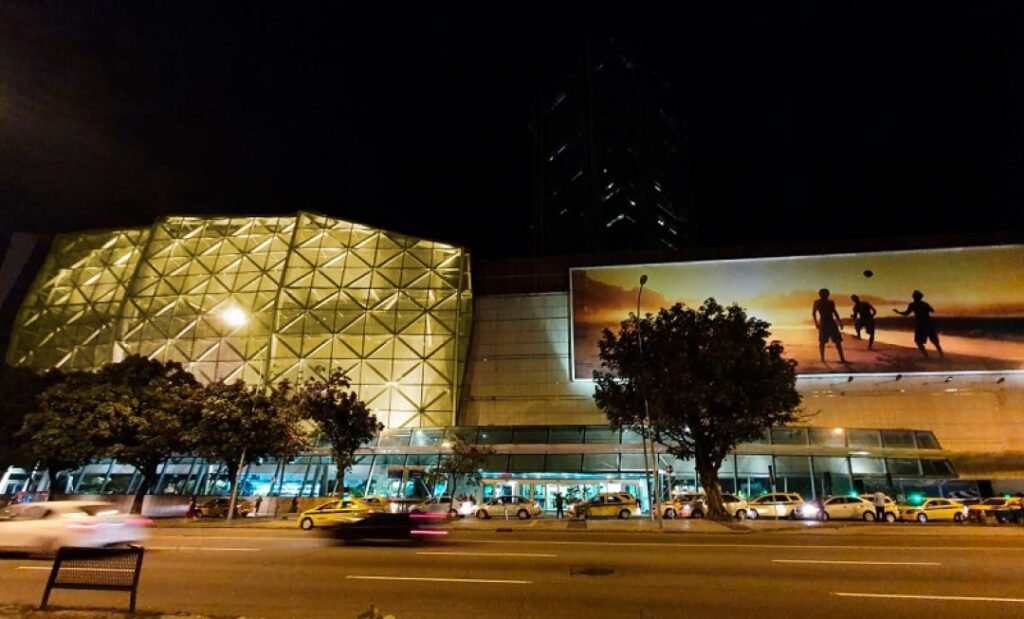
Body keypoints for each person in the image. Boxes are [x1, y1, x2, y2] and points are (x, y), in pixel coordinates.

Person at [893, 290, 943, 358]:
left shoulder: (913, 305)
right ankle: (941, 355)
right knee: (934, 340)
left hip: (920, 324)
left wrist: (898, 312)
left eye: (913, 295)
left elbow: (906, 313)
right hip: (929, 323)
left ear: (914, 297)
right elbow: (932, 310)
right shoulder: (925, 304)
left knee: (918, 341)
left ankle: (926, 356)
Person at [813, 288, 847, 363]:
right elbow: (814, 313)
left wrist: (840, 322)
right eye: (825, 294)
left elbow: (834, 312)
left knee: (837, 341)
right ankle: (822, 358)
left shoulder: (830, 302)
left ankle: (842, 358)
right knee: (822, 341)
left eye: (827, 294)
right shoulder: (817, 302)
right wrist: (816, 323)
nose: (827, 295)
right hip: (824, 323)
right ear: (821, 294)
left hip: (831, 322)